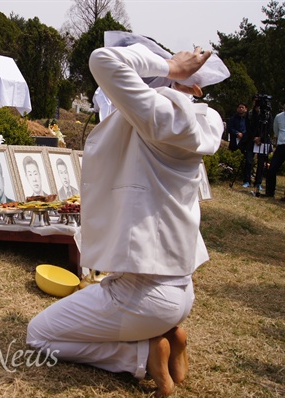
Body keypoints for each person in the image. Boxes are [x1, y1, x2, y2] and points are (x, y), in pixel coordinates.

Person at [27, 34, 229, 397]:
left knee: (39, 334)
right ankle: (161, 336)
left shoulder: (162, 117)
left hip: (143, 295)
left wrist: (171, 67)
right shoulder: (205, 122)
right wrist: (178, 76)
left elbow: (103, 60)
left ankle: (142, 353)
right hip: (179, 290)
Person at [264, 101, 285, 199]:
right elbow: (276, 130)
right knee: (272, 169)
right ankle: (270, 192)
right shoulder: (279, 117)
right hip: (281, 146)